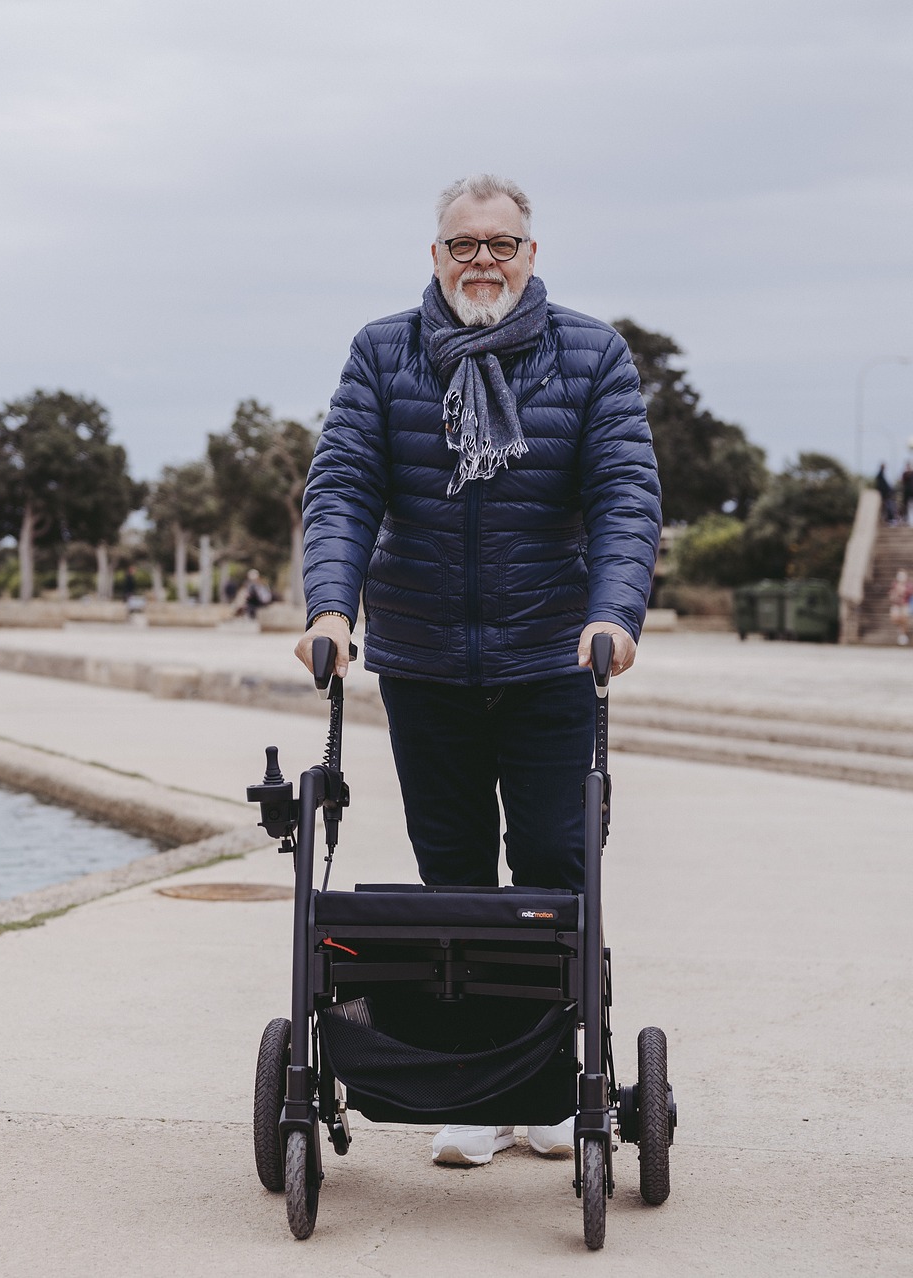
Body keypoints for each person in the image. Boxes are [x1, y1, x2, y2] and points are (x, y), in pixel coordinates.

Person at [297, 174, 661, 1169]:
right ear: (435, 256)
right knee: (451, 880)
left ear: (532, 255)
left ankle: (547, 1084)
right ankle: (470, 1088)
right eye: (465, 245)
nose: (483, 262)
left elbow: (627, 489)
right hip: (423, 663)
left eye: (503, 244)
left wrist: (613, 615)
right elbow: (343, 485)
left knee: (551, 869)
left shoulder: (592, 354)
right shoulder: (384, 353)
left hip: (552, 658)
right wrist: (330, 605)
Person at [887, 568, 913, 645]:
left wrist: (903, 590)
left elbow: (911, 593)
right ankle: (900, 629)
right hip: (896, 604)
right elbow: (891, 595)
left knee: (904, 618)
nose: (901, 577)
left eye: (903, 575)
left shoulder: (909, 584)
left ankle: (903, 634)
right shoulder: (894, 584)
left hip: (905, 604)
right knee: (895, 618)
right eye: (899, 575)